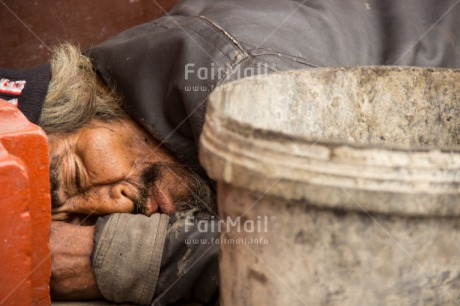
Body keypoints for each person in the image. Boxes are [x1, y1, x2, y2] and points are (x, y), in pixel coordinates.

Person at [2, 0, 460, 304]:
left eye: (78, 176)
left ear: (86, 98)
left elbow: (343, 260)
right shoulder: (142, 96)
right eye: (80, 221)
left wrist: (121, 254)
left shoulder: (239, 78)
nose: (112, 206)